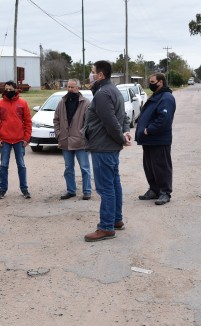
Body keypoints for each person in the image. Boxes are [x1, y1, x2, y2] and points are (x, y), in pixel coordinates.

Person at [83, 60, 132, 242]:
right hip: (108, 146)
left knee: (105, 188)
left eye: (93, 72)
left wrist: (121, 137)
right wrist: (125, 132)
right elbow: (124, 116)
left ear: (101, 75)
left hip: (103, 147)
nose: (91, 75)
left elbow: (111, 121)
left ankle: (106, 227)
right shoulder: (113, 90)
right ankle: (116, 220)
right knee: (113, 184)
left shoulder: (103, 93)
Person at [135, 72, 176, 205]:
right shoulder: (156, 95)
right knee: (149, 167)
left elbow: (164, 119)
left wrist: (149, 129)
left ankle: (165, 192)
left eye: (152, 82)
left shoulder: (166, 97)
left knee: (161, 167)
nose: (150, 84)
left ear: (161, 82)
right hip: (148, 140)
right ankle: (154, 190)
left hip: (159, 139)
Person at [0, 80, 32, 199]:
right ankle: (2, 190)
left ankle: (24, 189)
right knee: (3, 166)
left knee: (21, 165)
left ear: (15, 89)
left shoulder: (23, 103)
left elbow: (28, 122)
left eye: (10, 89)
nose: (8, 91)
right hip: (5, 141)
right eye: (6, 89)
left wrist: (26, 138)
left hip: (19, 140)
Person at [53, 78, 92, 200]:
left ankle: (87, 191)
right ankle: (71, 190)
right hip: (65, 141)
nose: (69, 89)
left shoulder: (85, 103)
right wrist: (58, 134)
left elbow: (89, 123)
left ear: (78, 88)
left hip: (80, 142)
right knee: (68, 168)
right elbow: (56, 120)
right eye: (68, 87)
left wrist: (82, 134)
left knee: (85, 168)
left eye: (72, 87)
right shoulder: (62, 102)